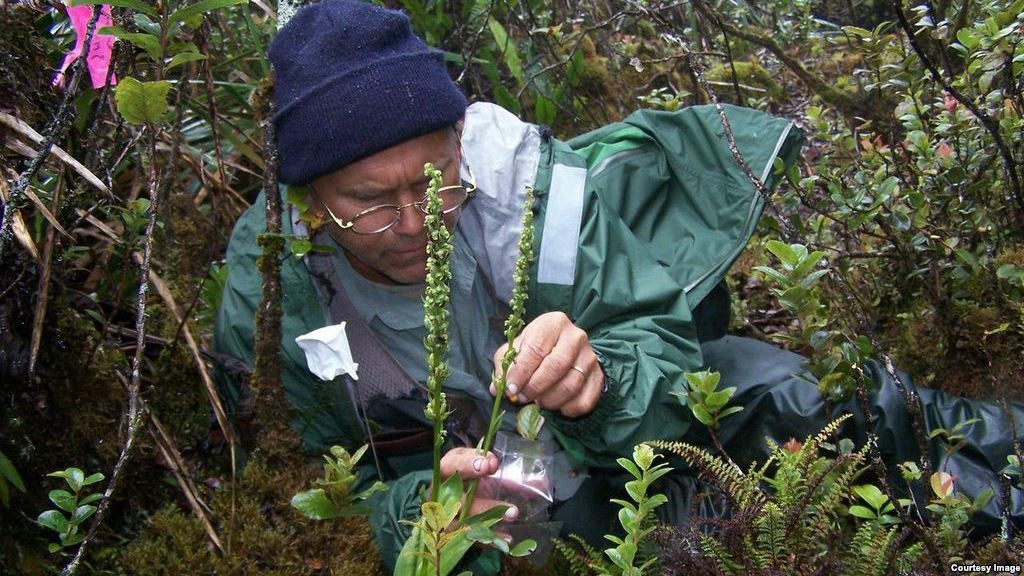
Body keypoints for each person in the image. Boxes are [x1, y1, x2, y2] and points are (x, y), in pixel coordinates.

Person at [214, 0, 1023, 572]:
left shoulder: (532, 185)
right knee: (702, 535)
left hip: (601, 446)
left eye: (437, 182)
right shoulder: (272, 296)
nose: (417, 222)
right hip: (508, 515)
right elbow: (310, 497)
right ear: (308, 196)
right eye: (369, 203)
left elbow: (655, 339)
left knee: (790, 396)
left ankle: (1006, 482)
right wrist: (425, 511)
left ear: (460, 140)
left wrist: (598, 382)